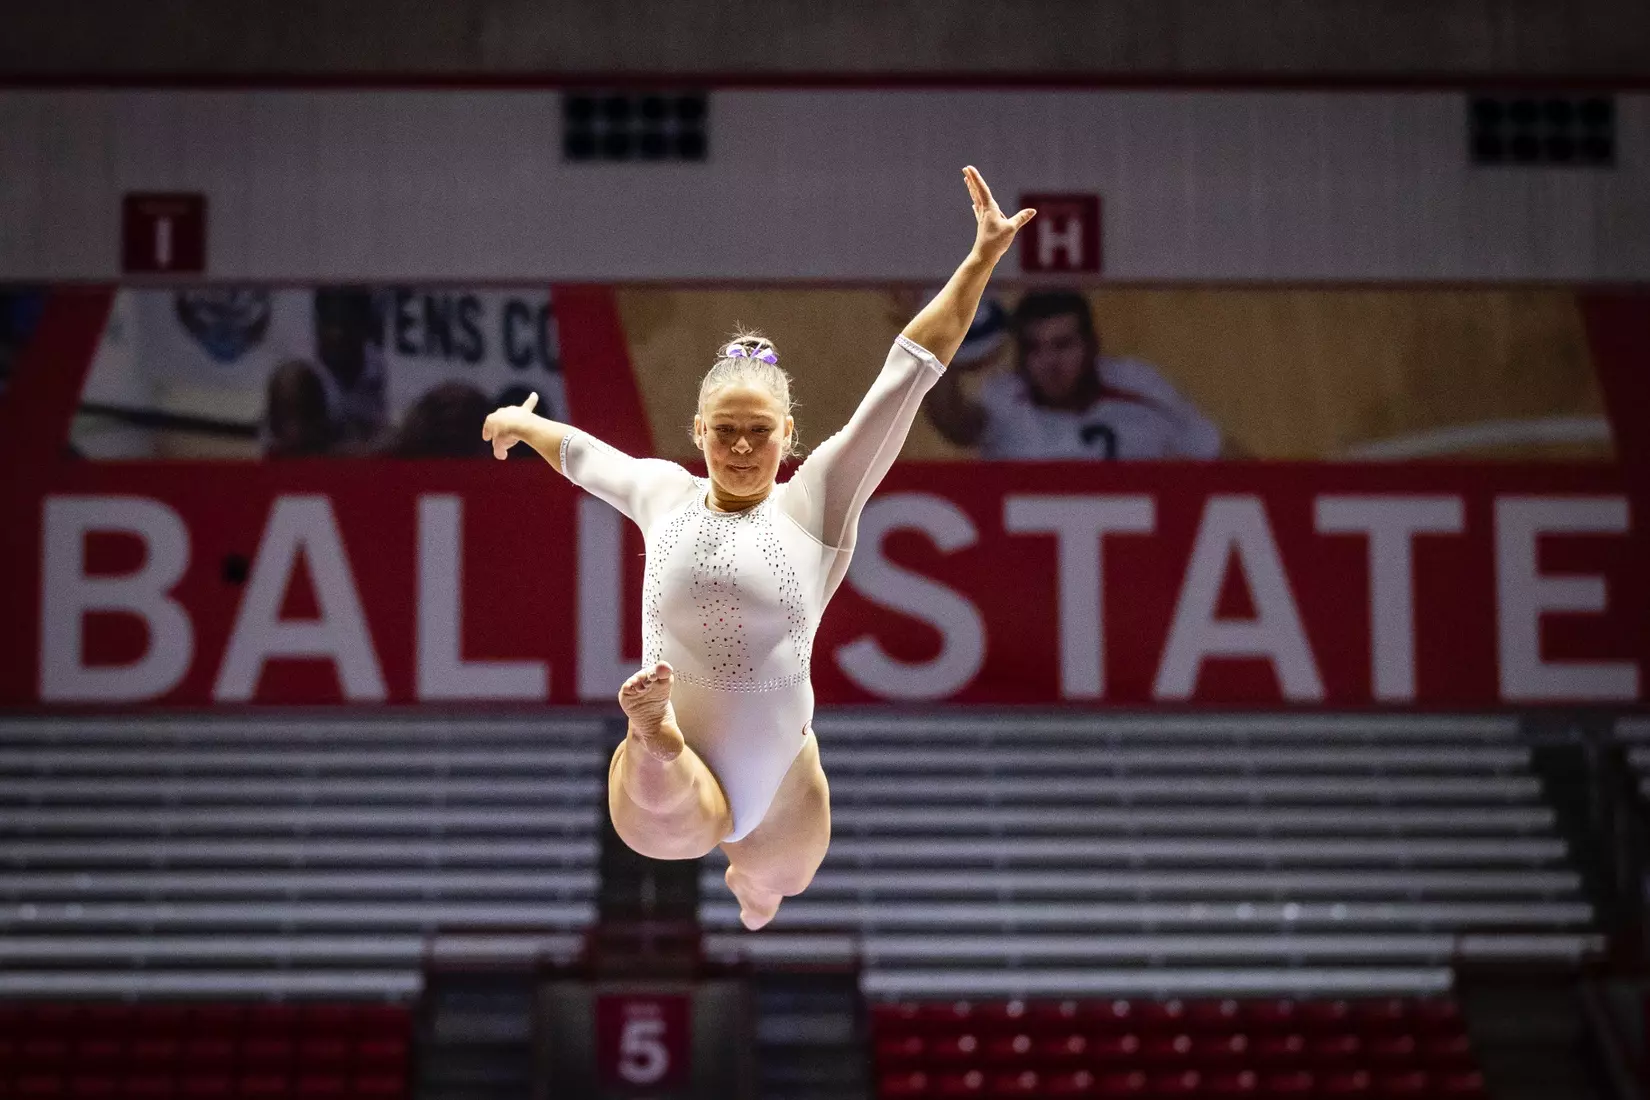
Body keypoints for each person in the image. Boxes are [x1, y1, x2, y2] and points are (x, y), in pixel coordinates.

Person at [481, 166, 1035, 930]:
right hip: (675, 782)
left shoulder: (815, 505)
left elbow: (908, 373)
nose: (742, 446)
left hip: (779, 774)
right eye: (726, 431)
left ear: (789, 438)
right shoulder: (662, 494)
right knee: (675, 830)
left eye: (760, 431)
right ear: (699, 434)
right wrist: (521, 422)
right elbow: (580, 453)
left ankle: (755, 886)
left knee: (786, 880)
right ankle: (655, 743)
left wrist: (979, 261)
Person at [926, 288, 1225, 459]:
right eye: (1034, 348)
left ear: (1092, 345)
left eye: (1063, 345)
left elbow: (1224, 459)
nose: (1049, 362)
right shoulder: (1005, 397)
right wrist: (939, 345)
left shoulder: (1138, 386)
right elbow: (952, 423)